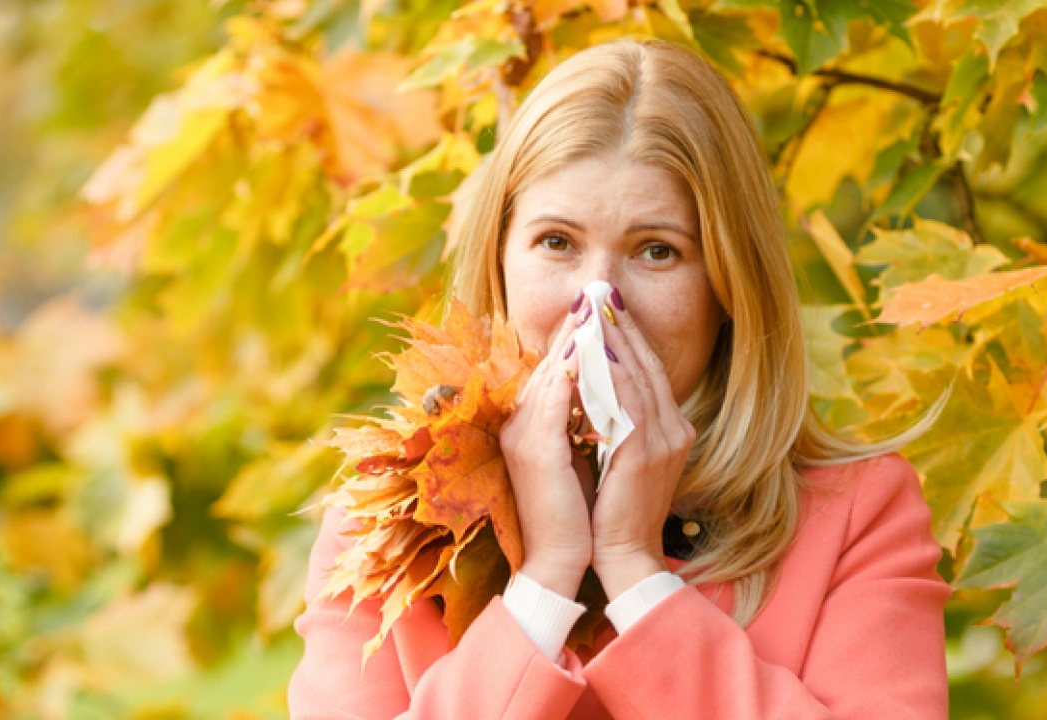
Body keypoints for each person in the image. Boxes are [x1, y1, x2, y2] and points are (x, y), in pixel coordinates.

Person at [288, 37, 951, 719]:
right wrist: (546, 582)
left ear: (730, 285)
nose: (597, 300)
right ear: (499, 261)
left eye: (657, 251)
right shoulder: (389, 520)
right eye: (557, 242)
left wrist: (636, 573)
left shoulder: (857, 515)